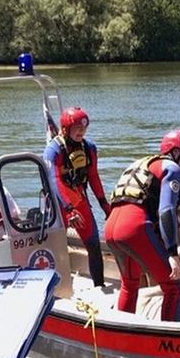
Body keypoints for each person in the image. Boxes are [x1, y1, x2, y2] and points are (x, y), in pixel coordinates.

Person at [105, 130, 180, 322]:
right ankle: (169, 337)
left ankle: (123, 331)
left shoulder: (142, 163)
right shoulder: (172, 169)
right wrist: (173, 253)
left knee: (129, 284)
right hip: (135, 229)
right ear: (176, 152)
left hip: (110, 230)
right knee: (175, 286)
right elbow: (166, 210)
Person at [44, 107, 111, 287]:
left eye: (84, 127)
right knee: (55, 248)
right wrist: (68, 208)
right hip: (59, 205)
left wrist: (104, 203)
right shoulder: (53, 150)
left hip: (79, 201)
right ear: (65, 129)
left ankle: (99, 285)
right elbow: (54, 179)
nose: (81, 131)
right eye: (76, 127)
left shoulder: (89, 148)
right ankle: (53, 287)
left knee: (94, 244)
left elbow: (93, 176)